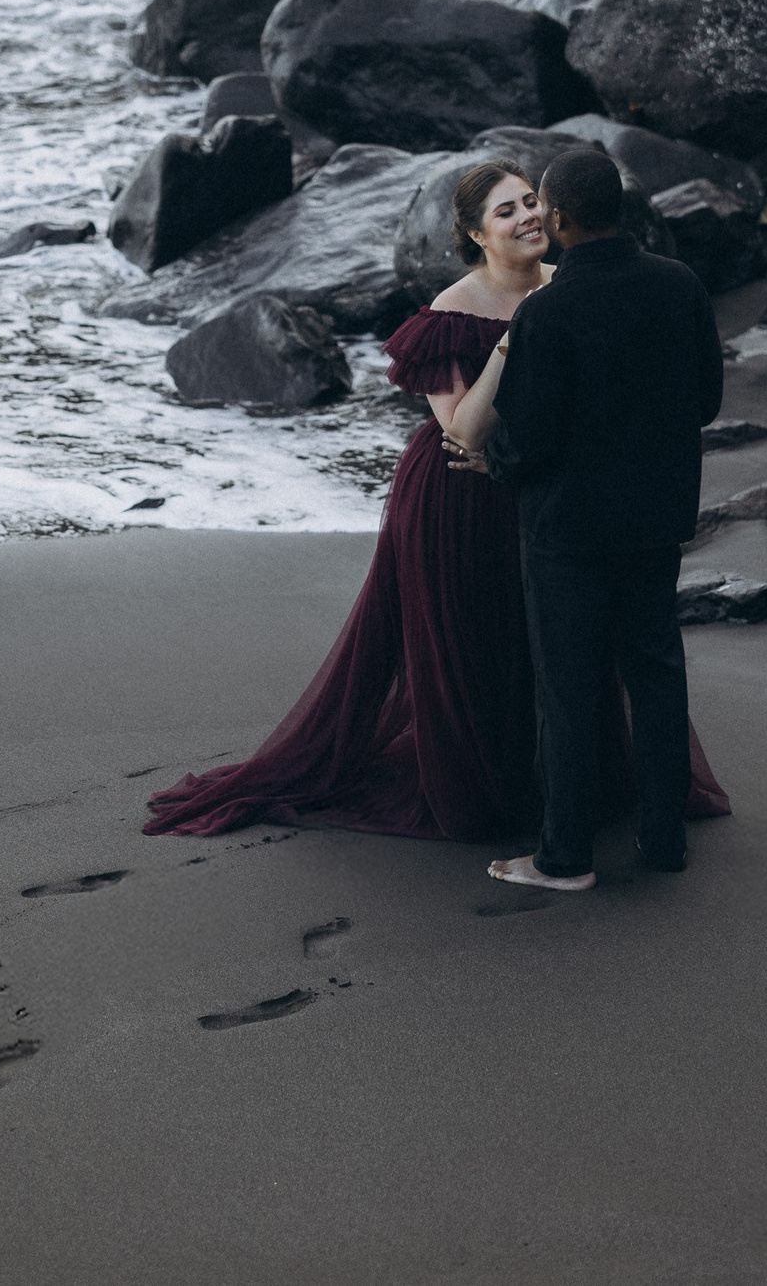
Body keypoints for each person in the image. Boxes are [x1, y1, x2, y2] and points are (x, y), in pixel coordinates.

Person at [143, 161, 726, 842]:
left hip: (549, 493)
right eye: (506, 211)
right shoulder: (450, 313)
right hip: (461, 494)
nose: (527, 217)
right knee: (490, 649)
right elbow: (461, 432)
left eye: (531, 202)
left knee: (559, 656)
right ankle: (504, 795)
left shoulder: (577, 286)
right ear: (475, 234)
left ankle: (570, 800)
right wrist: (512, 342)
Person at [445, 147, 727, 891]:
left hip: (566, 532)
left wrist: (493, 461)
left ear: (561, 218)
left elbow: (528, 436)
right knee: (658, 676)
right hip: (656, 520)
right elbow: (706, 401)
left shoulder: (549, 309)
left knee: (567, 689)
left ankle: (564, 856)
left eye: (542, 207)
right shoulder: (681, 285)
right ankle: (664, 841)